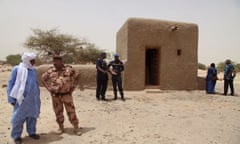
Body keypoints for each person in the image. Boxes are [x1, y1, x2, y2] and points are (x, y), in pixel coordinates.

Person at [41, 55, 81, 135]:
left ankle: (76, 127)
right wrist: (48, 89)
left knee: (71, 111)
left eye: (56, 61)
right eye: (54, 61)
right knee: (58, 112)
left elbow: (78, 75)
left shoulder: (68, 69)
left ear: (61, 61)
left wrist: (73, 87)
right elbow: (43, 78)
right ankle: (61, 127)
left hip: (66, 95)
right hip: (55, 96)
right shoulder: (51, 70)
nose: (55, 63)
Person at [7, 52, 41, 144]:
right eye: (32, 60)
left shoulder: (34, 70)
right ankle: (16, 136)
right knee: (18, 118)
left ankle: (32, 132)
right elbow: (11, 83)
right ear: (27, 60)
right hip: (21, 98)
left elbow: (35, 83)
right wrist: (11, 98)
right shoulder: (17, 69)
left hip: (33, 98)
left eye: (34, 60)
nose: (34, 62)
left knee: (32, 116)